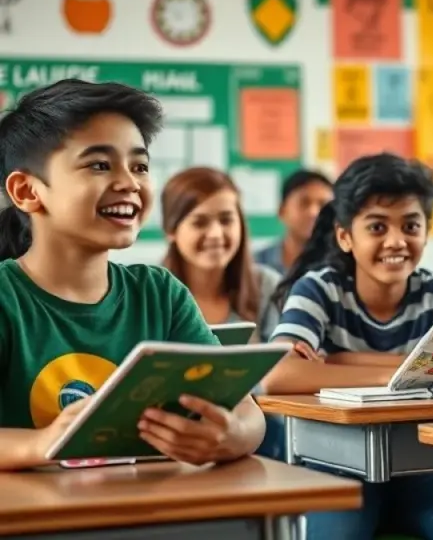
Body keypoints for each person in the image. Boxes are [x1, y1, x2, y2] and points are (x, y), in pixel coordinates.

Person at [0, 79, 265, 471]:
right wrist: (42, 443)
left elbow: (246, 410)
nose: (129, 183)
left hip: (148, 501)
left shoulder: (160, 293)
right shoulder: (7, 298)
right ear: (27, 191)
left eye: (140, 166)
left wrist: (232, 435)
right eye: (99, 165)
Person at [261, 152, 433, 540]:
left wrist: (341, 362)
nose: (396, 241)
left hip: (422, 466)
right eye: (377, 227)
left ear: (426, 231)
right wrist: (415, 372)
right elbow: (279, 375)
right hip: (337, 462)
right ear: (345, 236)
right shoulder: (319, 289)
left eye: (411, 226)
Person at [161, 167, 281, 343]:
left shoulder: (266, 286)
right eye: (199, 223)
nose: (216, 234)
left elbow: (285, 355)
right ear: (170, 230)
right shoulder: (149, 294)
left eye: (226, 220)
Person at [255, 169, 334, 275]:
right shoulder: (255, 265)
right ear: (282, 211)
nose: (313, 212)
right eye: (304, 203)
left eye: (322, 204)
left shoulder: (342, 266)